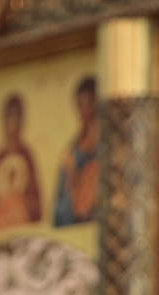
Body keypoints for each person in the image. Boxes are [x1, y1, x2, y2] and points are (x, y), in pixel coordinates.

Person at [0, 95, 43, 232]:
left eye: (16, 119)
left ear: (22, 122)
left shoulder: (27, 156)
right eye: (9, 118)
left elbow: (38, 206)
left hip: (22, 225)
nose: (12, 125)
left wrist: (18, 202)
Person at [52, 77, 99, 227]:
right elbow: (59, 215)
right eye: (80, 105)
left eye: (88, 103)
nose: (84, 110)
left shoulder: (110, 145)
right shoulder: (71, 152)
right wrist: (71, 181)